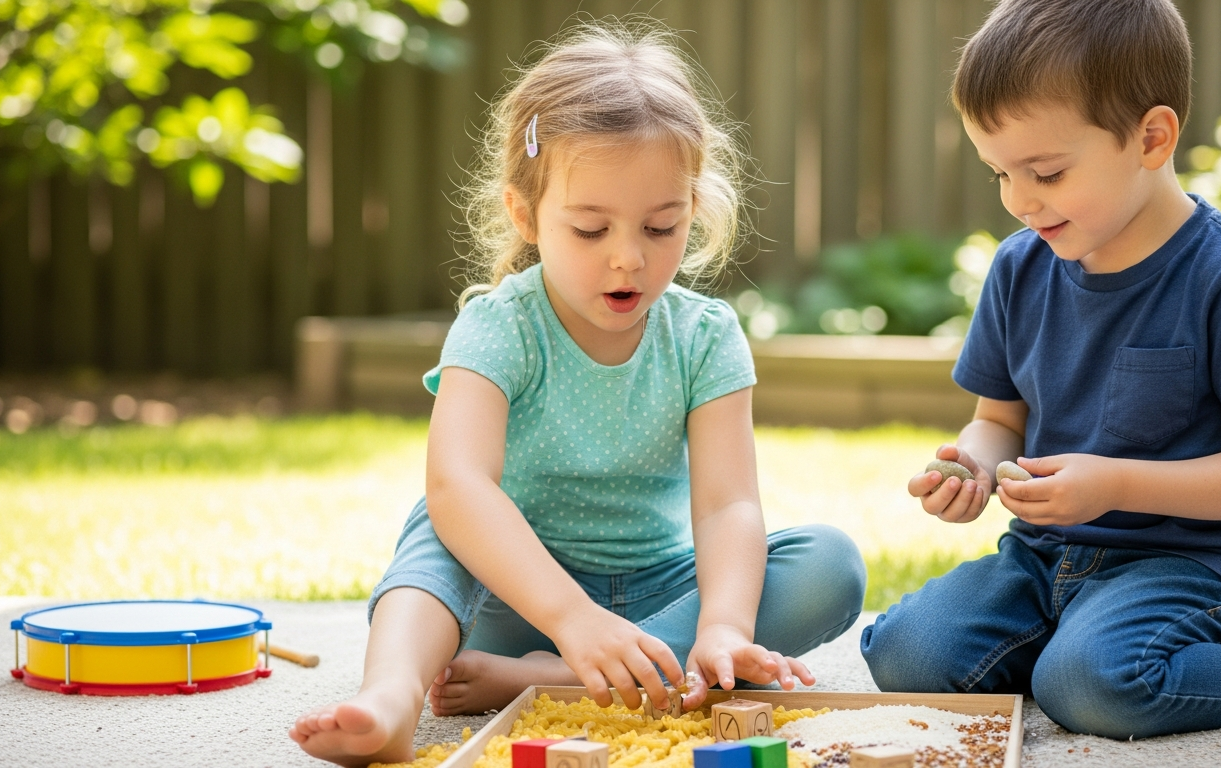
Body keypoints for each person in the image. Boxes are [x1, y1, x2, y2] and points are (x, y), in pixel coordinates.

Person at [290, 22, 866, 766]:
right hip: (516, 598)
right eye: (591, 228)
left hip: (665, 599)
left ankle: (560, 680)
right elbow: (458, 483)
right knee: (439, 530)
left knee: (830, 562)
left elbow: (728, 505)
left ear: (693, 210)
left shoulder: (705, 334)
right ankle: (391, 697)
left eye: (662, 227)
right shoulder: (499, 325)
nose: (628, 257)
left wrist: (723, 624)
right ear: (526, 217)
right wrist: (570, 617)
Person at [860, 0, 1221, 740]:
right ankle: (1072, 640)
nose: (1020, 202)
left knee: (1094, 688)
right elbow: (998, 421)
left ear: (1151, 138)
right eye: (999, 174)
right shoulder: (1019, 269)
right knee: (906, 655)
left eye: (1046, 173)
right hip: (1044, 553)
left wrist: (1115, 483)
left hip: (1192, 564)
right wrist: (973, 466)